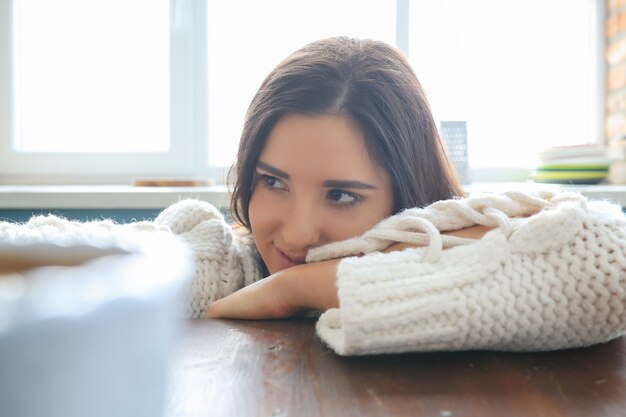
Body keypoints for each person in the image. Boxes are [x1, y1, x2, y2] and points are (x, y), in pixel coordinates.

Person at [2, 37, 626, 356]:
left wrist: (293, 290)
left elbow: (607, 265)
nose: (297, 234)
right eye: (273, 182)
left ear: (406, 190)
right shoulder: (224, 261)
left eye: (343, 195)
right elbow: (43, 254)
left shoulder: (453, 232)